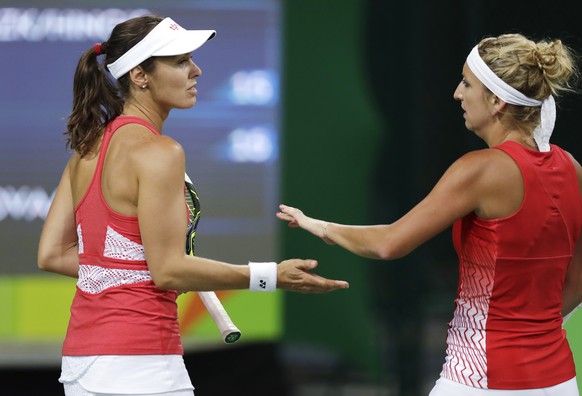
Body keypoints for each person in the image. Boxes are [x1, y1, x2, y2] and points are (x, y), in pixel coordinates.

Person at [37, 15, 348, 396]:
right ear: (140, 75)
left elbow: (52, 255)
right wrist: (271, 276)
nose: (196, 70)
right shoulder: (161, 152)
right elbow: (168, 270)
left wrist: (137, 272)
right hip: (141, 365)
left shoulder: (87, 150)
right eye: (181, 61)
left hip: (83, 364)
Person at [277, 33, 582, 395]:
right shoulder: (572, 168)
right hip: (558, 380)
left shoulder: (480, 170)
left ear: (497, 101)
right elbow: (577, 283)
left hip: (480, 378)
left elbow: (390, 243)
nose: (458, 93)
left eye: (467, 83)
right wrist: (529, 334)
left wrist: (320, 225)